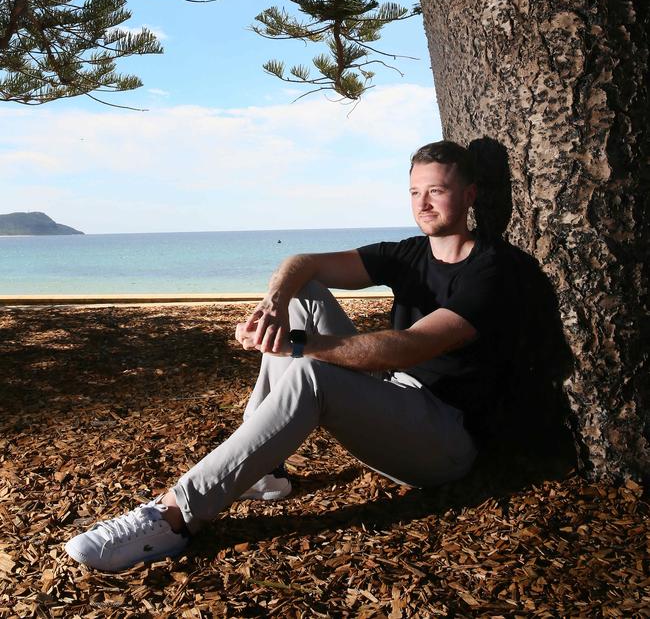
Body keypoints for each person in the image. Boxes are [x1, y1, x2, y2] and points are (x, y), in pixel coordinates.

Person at [65, 140, 505, 573]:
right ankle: (263, 472)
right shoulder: (410, 253)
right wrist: (272, 308)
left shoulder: (491, 270)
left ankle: (173, 517)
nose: (423, 204)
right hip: (394, 399)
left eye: (436, 191)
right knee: (302, 294)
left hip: (444, 440)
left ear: (469, 196)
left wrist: (299, 345)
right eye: (414, 192)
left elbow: (412, 345)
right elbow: (304, 262)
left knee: (310, 372)